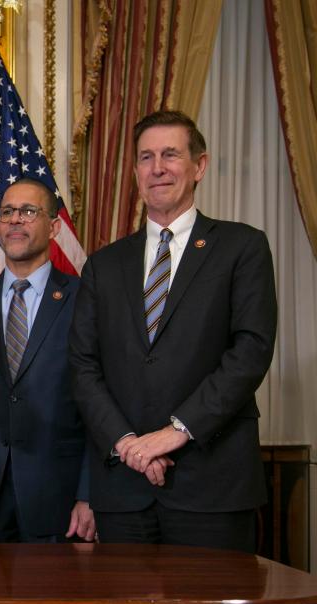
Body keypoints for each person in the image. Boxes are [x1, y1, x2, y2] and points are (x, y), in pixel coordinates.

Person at [69, 110, 277, 552]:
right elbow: (83, 366)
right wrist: (129, 445)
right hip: (123, 491)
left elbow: (250, 352)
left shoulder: (242, 247)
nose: (157, 168)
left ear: (199, 165)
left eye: (170, 154)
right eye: (146, 157)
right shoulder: (104, 264)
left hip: (212, 484)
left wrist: (176, 431)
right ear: (135, 172)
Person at [0, 178, 94, 543]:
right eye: (7, 212)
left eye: (28, 211)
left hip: (59, 495)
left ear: (54, 227)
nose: (15, 221)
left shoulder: (85, 300)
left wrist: (89, 492)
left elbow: (97, 401)